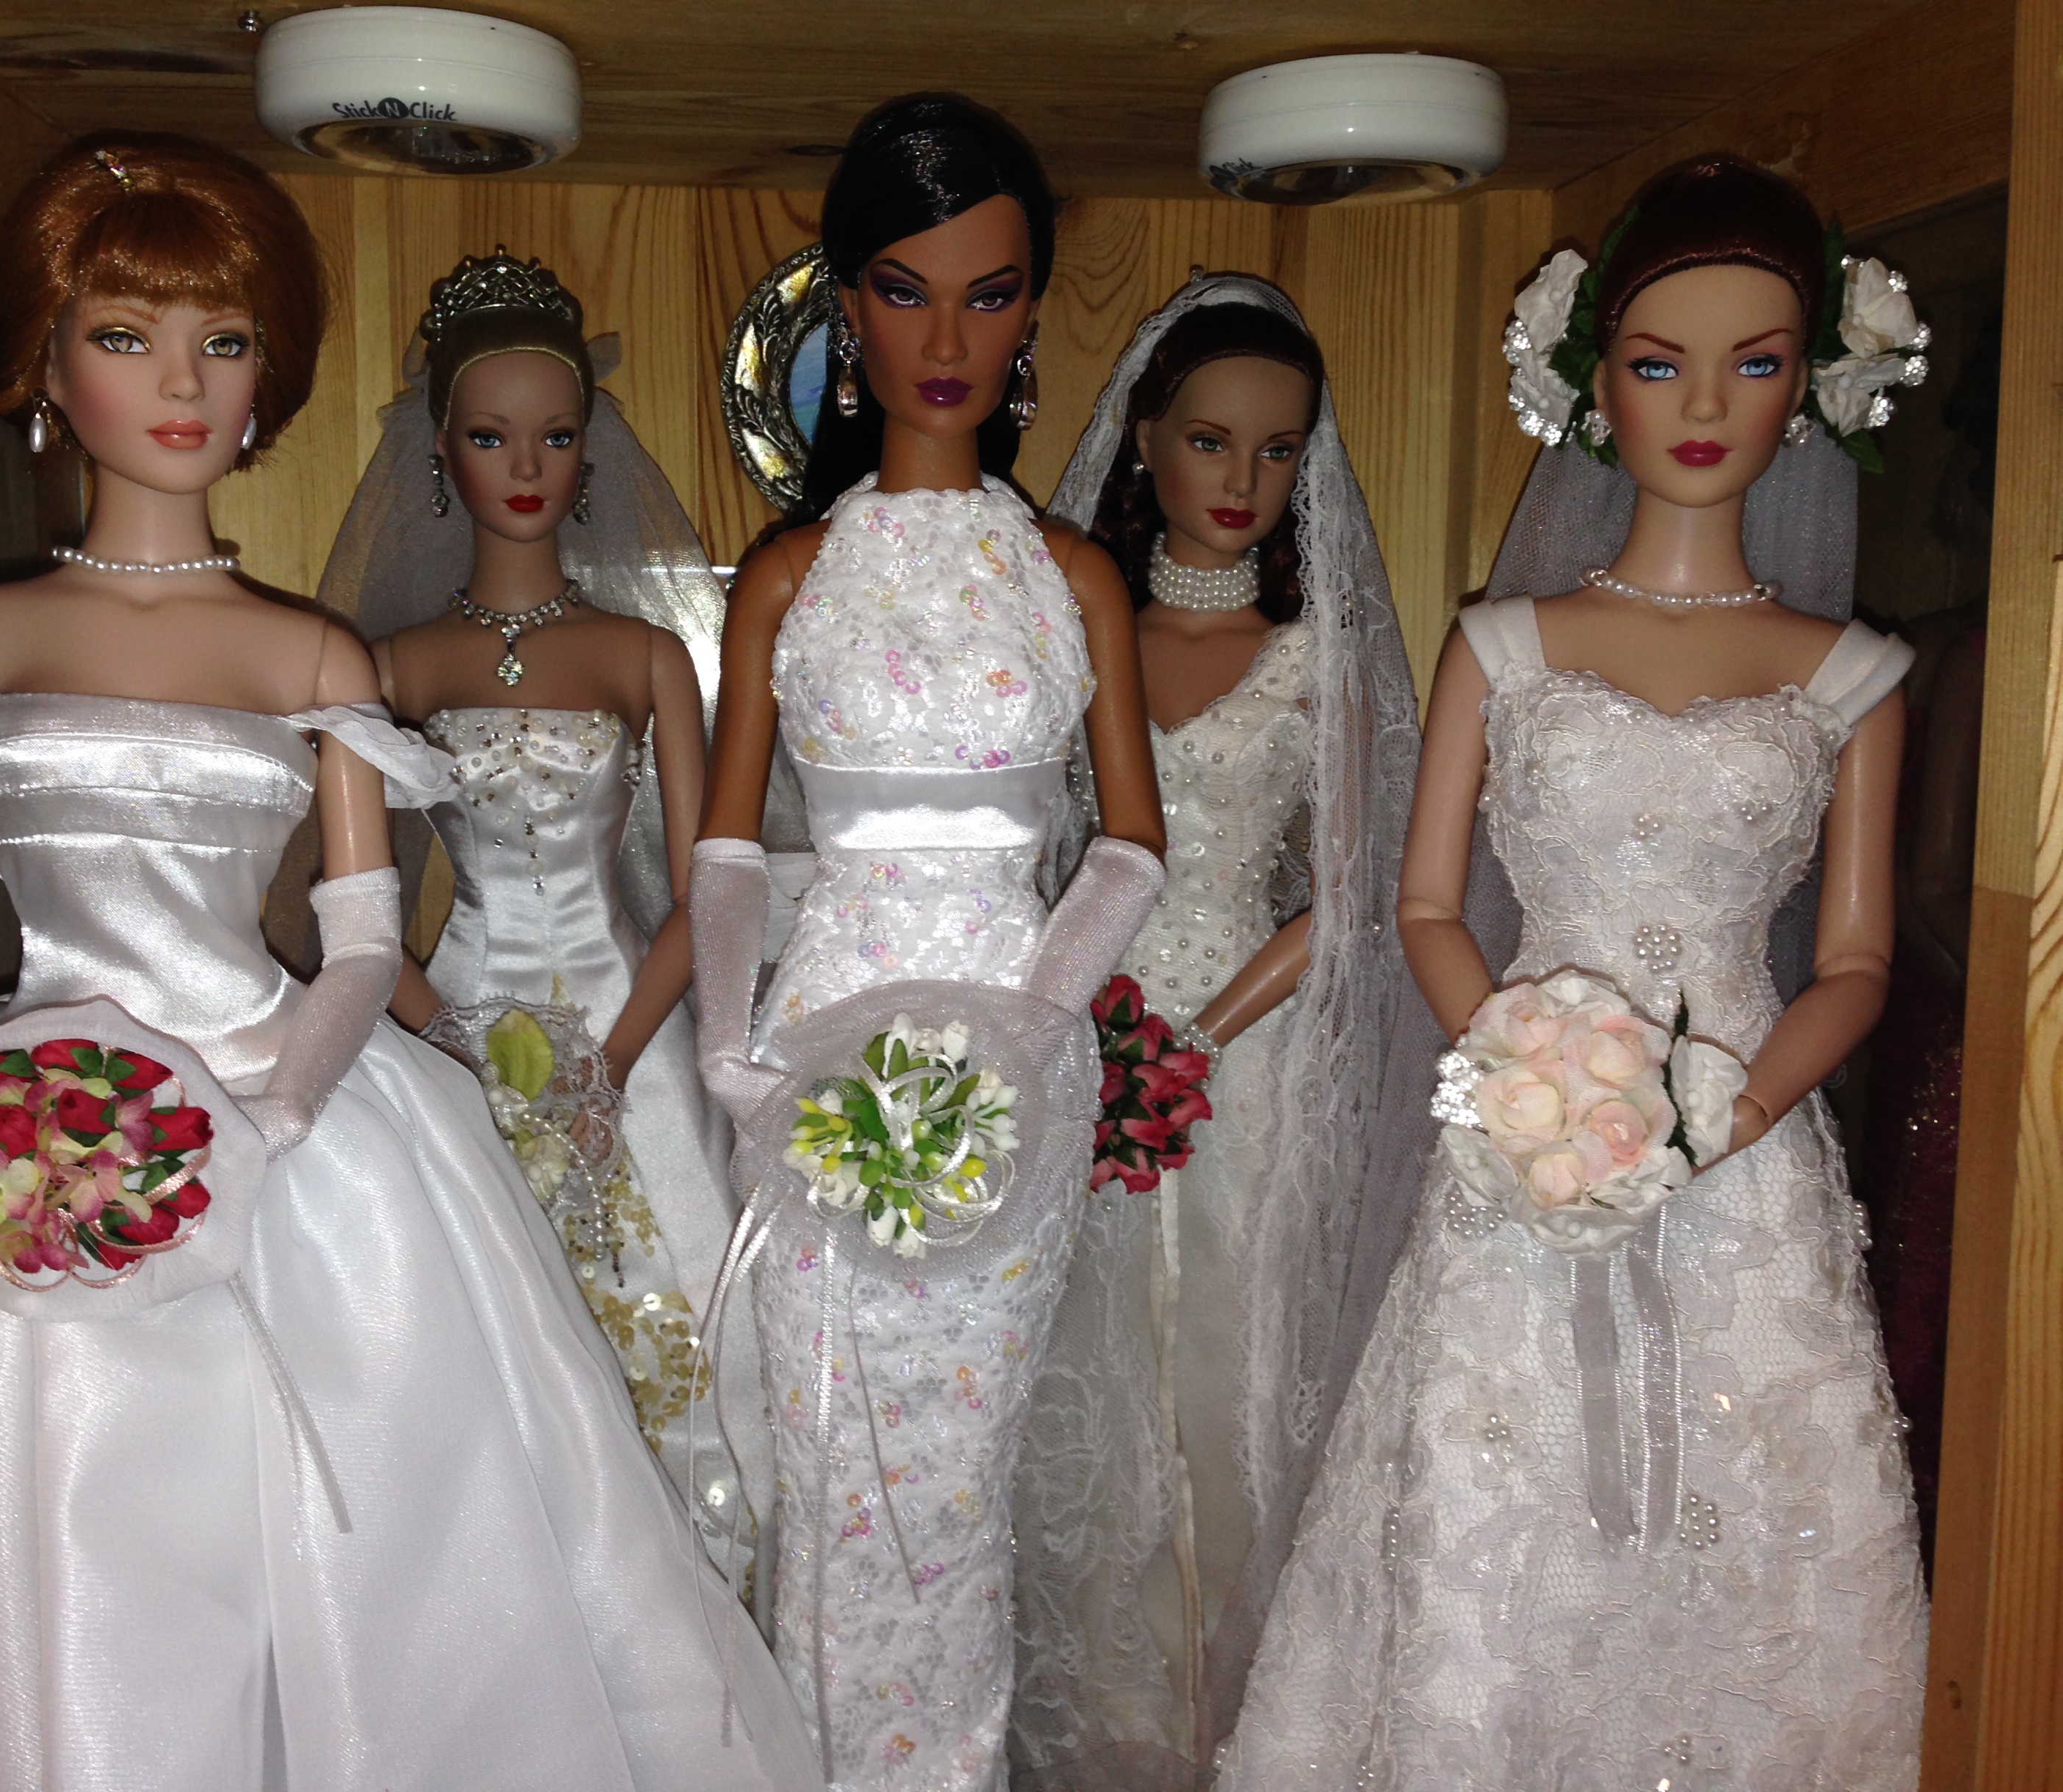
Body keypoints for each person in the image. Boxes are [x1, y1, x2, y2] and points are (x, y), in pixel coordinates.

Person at [0, 132, 816, 1792]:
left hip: (287, 1108)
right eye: (126, 336)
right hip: (23, 1123)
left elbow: (362, 940)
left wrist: (278, 1115)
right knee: (46, 1510)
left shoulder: (313, 654)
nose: (181, 385)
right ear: (46, 368)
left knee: (384, 1528)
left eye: (221, 343)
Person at [1220, 157, 1930, 1788]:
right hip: (1520, 1136)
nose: (1707, 404)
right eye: (1661, 363)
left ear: (1813, 386)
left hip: (1748, 1154)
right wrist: (1526, 1074)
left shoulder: (1854, 677)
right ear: (1597, 384)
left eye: (1757, 362)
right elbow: (1425, 906)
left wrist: (1726, 1112)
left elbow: (1857, 957)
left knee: (1754, 1500)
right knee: (1497, 1476)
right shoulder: (1502, 645)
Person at [686, 93, 1167, 1789]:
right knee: (830, 1463)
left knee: (959, 1478)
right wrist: (728, 1048)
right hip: (814, 1057)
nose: (948, 339)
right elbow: (730, 847)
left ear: (1031, 310)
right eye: (904, 292)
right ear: (847, 307)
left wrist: (1029, 1028)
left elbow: (1129, 850)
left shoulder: (1073, 576)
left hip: (1021, 1054)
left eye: (991, 292)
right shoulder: (788, 575)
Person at [1010, 275, 1415, 1785]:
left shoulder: (1317, 661)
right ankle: (1104, 1723)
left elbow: (1362, 890)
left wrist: (1200, 1036)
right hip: (1083, 1043)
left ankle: (1240, 1720)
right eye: (1209, 440)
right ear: (1145, 444)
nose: (1242, 479)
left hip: (1253, 1059)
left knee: (1238, 1376)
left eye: (1277, 449)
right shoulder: (1077, 637)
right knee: (1087, 1383)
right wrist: (1088, 1029)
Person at [321, 246, 772, 1578]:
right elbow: (356, 908)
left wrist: (613, 1060)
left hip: (631, 1023)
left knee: (677, 1316)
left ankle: (701, 1589)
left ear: (590, 449)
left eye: (556, 436)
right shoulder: (391, 667)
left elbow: (705, 887)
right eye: (489, 436)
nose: (526, 466)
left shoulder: (644, 655)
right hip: (460, 1027)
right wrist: (459, 1047)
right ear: (440, 452)